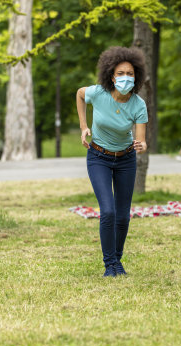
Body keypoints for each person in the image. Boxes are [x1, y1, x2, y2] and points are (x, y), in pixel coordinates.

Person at [76, 46, 148, 277]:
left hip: (126, 159)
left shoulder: (138, 104)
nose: (125, 78)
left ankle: (117, 260)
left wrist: (141, 145)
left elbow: (141, 139)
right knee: (107, 211)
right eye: (120, 73)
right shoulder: (98, 93)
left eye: (129, 74)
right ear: (111, 75)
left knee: (122, 214)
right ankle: (109, 265)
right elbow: (79, 93)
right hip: (99, 158)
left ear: (136, 76)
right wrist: (83, 126)